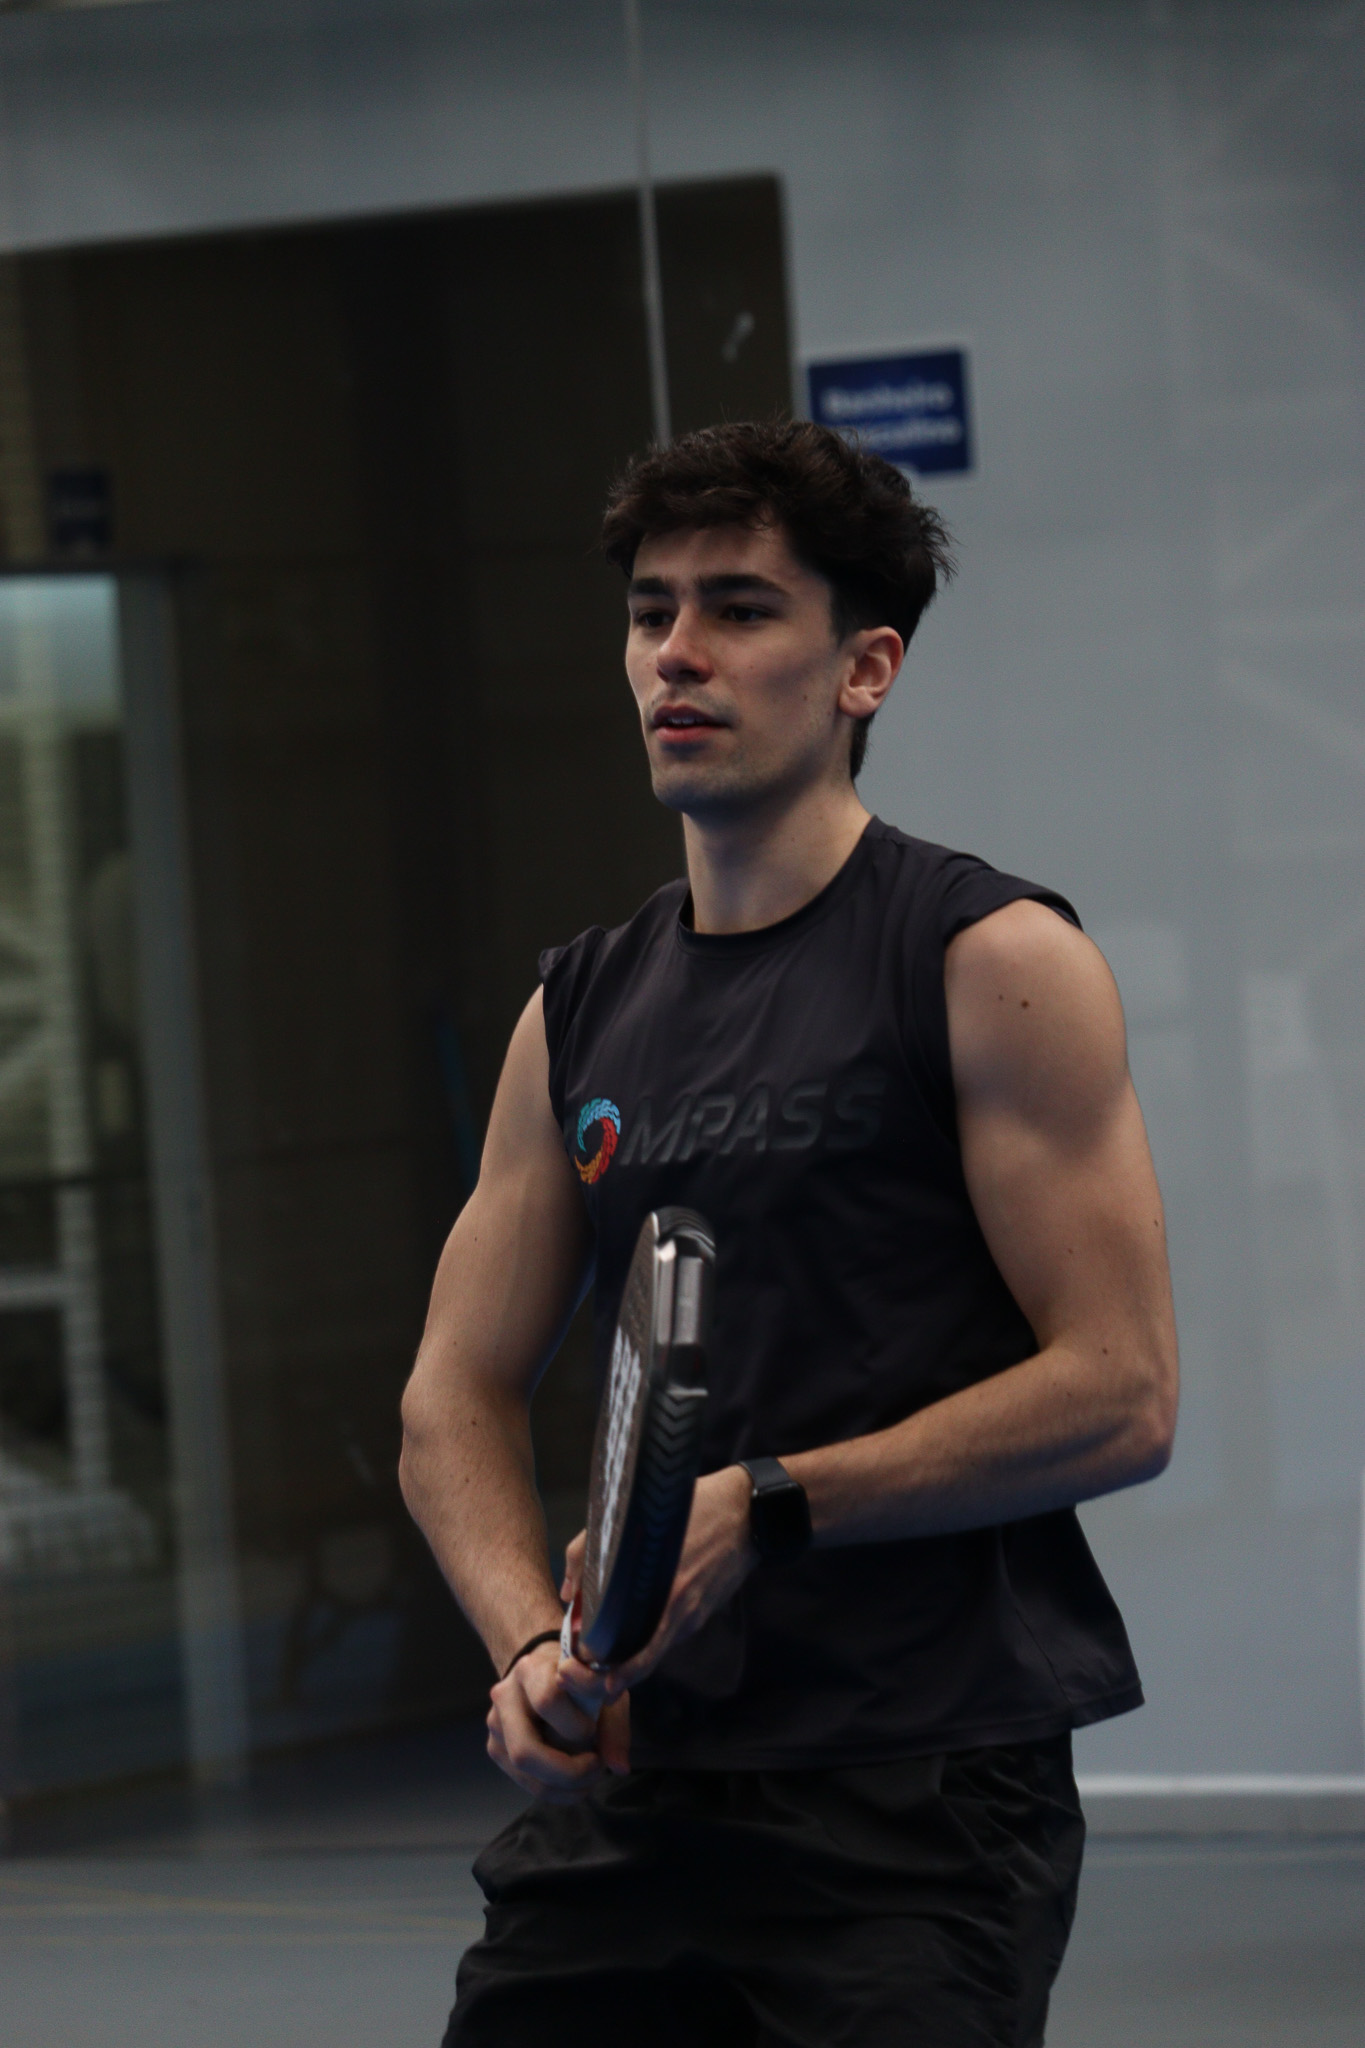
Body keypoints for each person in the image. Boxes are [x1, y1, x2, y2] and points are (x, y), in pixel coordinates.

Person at [399, 419, 1178, 2046]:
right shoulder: (576, 1011)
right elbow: (449, 1398)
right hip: (638, 1787)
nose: (675, 654)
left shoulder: (989, 960)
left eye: (740, 609)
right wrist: (531, 1645)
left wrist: (763, 1506)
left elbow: (1119, 1392)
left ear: (862, 668)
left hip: (915, 1800)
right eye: (649, 612)